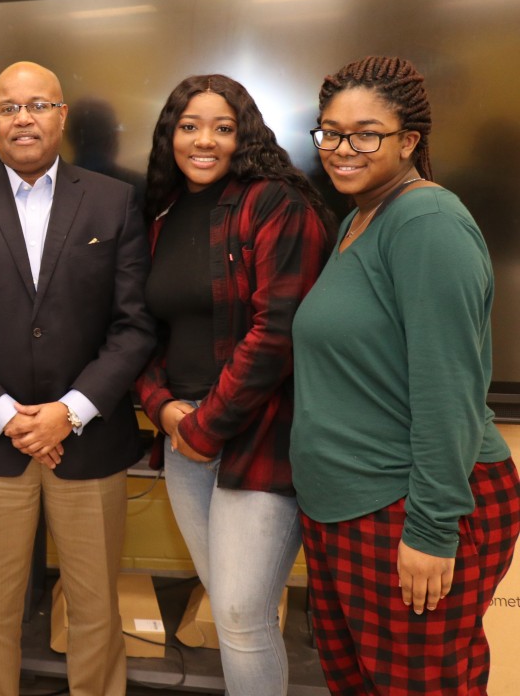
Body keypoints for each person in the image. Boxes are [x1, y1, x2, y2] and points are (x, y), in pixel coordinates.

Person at [0, 61, 157, 696]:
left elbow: (133, 326)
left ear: (62, 116)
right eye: (9, 107)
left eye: (39, 105)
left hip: (89, 443)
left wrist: (68, 412)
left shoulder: (113, 199)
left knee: (96, 610)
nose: (24, 118)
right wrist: (8, 416)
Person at [291, 56, 520, 694]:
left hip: (407, 506)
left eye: (366, 133)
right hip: (350, 505)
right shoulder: (359, 217)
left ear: (410, 141)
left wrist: (431, 527)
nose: (342, 148)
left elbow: (450, 389)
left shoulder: (427, 223)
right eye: (329, 132)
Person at [134, 74, 330, 696]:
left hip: (260, 435)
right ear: (169, 134)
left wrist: (205, 427)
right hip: (183, 436)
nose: (204, 141)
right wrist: (164, 410)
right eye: (189, 126)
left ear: (244, 134)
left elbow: (278, 330)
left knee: (243, 617)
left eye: (223, 127)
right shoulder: (160, 215)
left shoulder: (276, 202)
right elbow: (143, 328)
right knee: (230, 608)